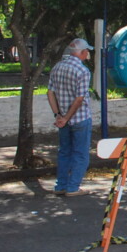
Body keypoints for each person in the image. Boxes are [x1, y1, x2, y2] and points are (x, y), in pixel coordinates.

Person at [48, 38, 94, 196]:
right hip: (80, 118)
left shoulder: (57, 67)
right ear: (81, 52)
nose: (88, 53)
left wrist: (58, 115)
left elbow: (50, 92)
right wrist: (67, 117)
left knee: (64, 152)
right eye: (87, 51)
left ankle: (60, 185)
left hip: (62, 120)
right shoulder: (82, 71)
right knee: (80, 153)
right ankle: (73, 187)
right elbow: (79, 99)